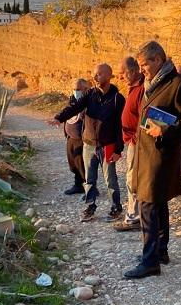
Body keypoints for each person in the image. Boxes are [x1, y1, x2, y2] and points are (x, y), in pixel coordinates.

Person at [123, 41, 181, 279]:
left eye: (144, 64)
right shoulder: (151, 84)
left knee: (147, 206)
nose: (141, 70)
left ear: (158, 59)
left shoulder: (180, 85)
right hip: (147, 156)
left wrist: (165, 132)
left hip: (161, 157)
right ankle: (160, 251)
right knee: (157, 204)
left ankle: (150, 262)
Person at [49, 64, 125, 222]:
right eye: (94, 75)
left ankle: (116, 208)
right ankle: (90, 206)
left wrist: (118, 149)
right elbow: (75, 107)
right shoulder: (90, 94)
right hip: (89, 144)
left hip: (108, 145)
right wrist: (59, 118)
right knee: (89, 179)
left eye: (99, 74)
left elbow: (120, 126)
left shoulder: (118, 99)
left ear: (109, 75)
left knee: (110, 179)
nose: (95, 78)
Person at [113, 57, 145, 232]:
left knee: (132, 180)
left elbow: (144, 118)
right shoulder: (133, 88)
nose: (120, 77)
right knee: (132, 179)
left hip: (137, 142)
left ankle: (134, 217)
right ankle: (136, 215)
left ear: (132, 71)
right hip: (132, 141)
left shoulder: (141, 89)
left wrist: (136, 139)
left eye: (122, 73)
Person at [63, 78, 90, 196]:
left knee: (82, 165)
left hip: (81, 139)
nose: (75, 91)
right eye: (74, 89)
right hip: (71, 137)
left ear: (86, 89)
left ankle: (89, 188)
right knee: (73, 163)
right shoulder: (72, 101)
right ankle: (78, 185)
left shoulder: (89, 102)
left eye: (78, 89)